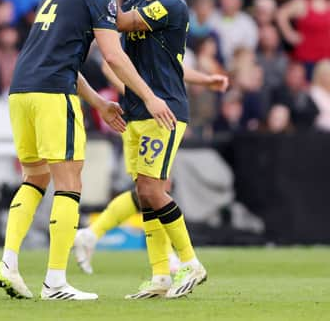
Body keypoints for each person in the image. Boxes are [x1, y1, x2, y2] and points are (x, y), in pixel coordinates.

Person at [0, 0, 176, 301]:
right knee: (70, 181)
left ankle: (8, 263)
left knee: (35, 176)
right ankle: (55, 283)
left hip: (21, 91)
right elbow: (113, 55)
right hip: (51, 95)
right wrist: (149, 96)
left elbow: (61, 57)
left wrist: (98, 103)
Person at [95, 0, 208, 299]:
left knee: (151, 189)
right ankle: (160, 276)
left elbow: (121, 24)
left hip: (166, 109)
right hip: (138, 111)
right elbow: (116, 51)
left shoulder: (172, 6)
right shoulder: (135, 2)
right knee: (146, 195)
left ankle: (190, 263)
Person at [73, 61, 229, 275]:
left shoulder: (155, 33)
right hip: (141, 118)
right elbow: (110, 65)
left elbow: (169, 65)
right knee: (154, 189)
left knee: (151, 190)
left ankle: (92, 234)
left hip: (152, 116)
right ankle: (170, 258)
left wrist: (204, 80)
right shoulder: (134, 31)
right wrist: (139, 96)